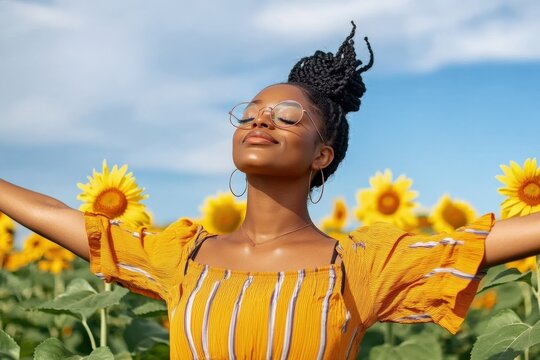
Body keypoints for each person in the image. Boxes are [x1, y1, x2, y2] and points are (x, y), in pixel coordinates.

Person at [1, 21, 539, 360]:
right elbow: (63, 217)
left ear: (322, 154)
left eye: (286, 116)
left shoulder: (357, 265)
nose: (261, 122)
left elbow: (486, 242)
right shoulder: (181, 257)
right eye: (252, 113)